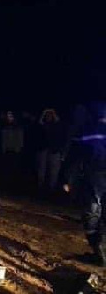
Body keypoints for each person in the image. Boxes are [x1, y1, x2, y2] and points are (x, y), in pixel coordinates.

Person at [61, 102, 106, 265]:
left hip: (94, 179)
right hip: (96, 178)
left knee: (92, 215)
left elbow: (77, 157)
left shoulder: (90, 131)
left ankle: (99, 254)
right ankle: (100, 254)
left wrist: (68, 179)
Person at [37, 109, 67, 193]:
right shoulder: (41, 126)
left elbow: (60, 136)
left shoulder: (57, 126)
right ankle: (40, 186)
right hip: (43, 149)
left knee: (54, 170)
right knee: (41, 169)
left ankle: (52, 187)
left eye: (50, 115)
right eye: (47, 115)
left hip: (54, 150)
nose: (48, 117)